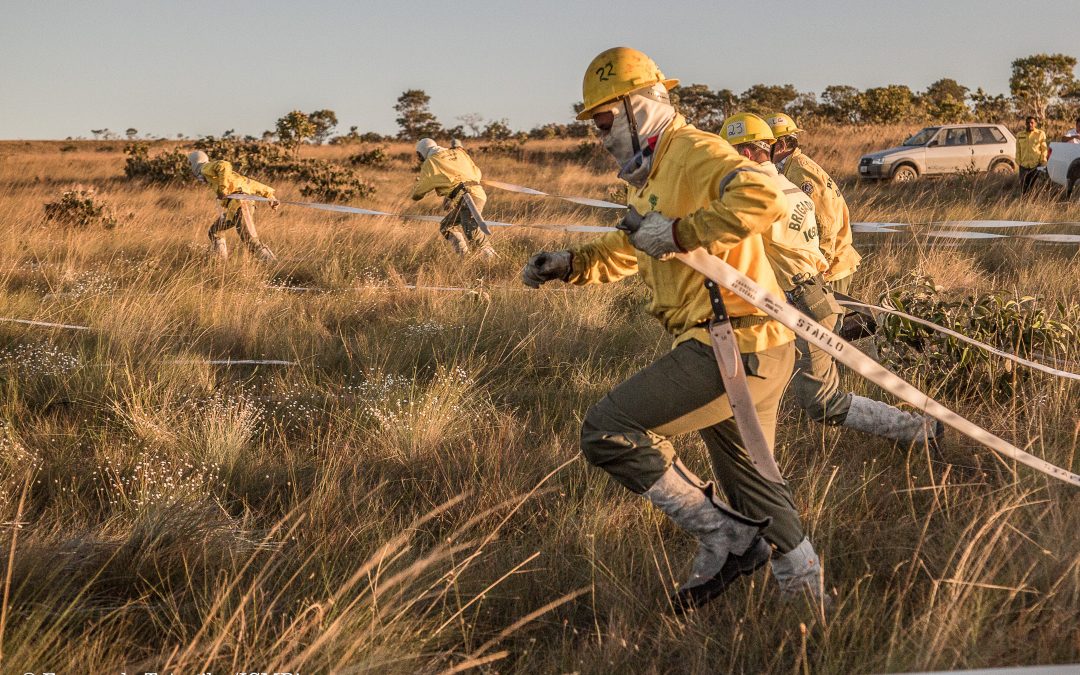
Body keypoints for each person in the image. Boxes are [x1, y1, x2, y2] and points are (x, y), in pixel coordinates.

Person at [522, 47, 827, 611]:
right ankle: (812, 616)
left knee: (606, 430)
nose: (600, 134)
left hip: (732, 345)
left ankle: (726, 537)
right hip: (746, 344)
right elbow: (634, 244)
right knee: (755, 489)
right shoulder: (651, 172)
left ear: (638, 106)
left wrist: (686, 233)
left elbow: (762, 195)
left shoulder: (694, 151)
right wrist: (572, 264)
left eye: (605, 120)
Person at [724, 114, 944, 449]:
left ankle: (917, 430)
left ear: (748, 154)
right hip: (797, 297)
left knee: (823, 402)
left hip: (804, 302)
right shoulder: (787, 186)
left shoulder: (763, 192)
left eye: (729, 155)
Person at [188, 151, 279, 262]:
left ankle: (273, 265)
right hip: (235, 208)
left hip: (241, 205)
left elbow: (224, 165)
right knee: (215, 231)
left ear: (193, 163)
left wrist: (222, 189)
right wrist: (270, 195)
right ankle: (221, 261)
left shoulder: (205, 168)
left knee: (250, 240)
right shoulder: (229, 176)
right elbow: (249, 183)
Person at [411, 139, 494, 256]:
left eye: (419, 155)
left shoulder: (431, 162)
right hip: (477, 193)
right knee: (446, 226)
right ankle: (464, 255)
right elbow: (477, 172)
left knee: (472, 231)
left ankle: (490, 259)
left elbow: (419, 191)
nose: (419, 158)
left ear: (422, 152)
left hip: (467, 198)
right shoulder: (459, 153)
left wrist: (414, 194)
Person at [1016, 116, 1048, 194]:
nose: (1030, 124)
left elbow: (1044, 149)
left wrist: (1042, 162)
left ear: (1035, 124)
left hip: (1036, 165)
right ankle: (1024, 202)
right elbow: (1018, 150)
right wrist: (1019, 162)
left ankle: (1033, 203)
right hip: (1023, 166)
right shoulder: (1020, 135)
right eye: (1028, 123)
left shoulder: (1040, 134)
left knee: (1034, 187)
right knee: (1024, 187)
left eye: (1032, 123)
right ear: (1025, 124)